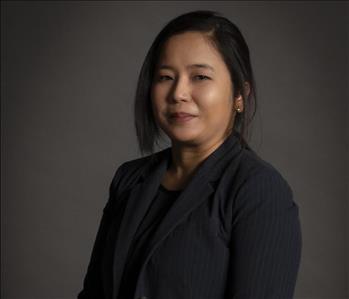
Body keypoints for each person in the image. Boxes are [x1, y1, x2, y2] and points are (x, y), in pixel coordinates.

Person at [77, 10, 302, 299]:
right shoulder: (128, 179)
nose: (178, 93)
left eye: (200, 76)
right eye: (165, 77)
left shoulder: (258, 190)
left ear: (239, 95)